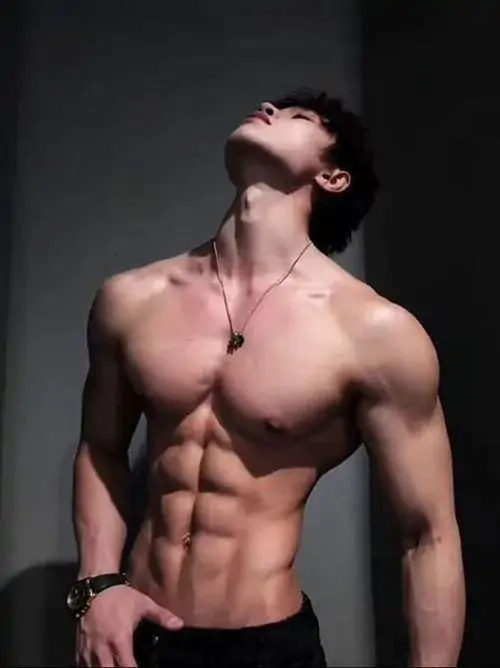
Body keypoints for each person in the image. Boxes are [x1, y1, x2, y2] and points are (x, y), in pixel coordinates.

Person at [69, 89, 465, 667]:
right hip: (134, 638)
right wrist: (97, 588)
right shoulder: (131, 299)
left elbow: (428, 535)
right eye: (274, 107)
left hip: (266, 648)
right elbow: (101, 448)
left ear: (332, 177)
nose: (271, 110)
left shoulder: (373, 332)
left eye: (299, 116)